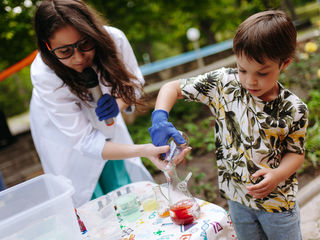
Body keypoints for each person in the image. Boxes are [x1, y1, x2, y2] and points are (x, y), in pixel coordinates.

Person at [149, 10, 308, 240]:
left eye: (262, 73)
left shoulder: (294, 109)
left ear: (285, 63)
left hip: (277, 204)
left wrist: (277, 174)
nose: (250, 81)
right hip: (237, 199)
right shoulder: (223, 84)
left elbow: (296, 153)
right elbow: (171, 88)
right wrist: (160, 117)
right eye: (243, 69)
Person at [30, 0, 190, 208]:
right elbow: (86, 142)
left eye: (84, 44)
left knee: (124, 187)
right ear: (47, 46)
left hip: (107, 127)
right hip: (61, 136)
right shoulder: (44, 75)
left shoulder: (114, 39)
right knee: (87, 196)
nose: (78, 58)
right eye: (65, 51)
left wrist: (118, 104)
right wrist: (145, 150)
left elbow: (134, 82)